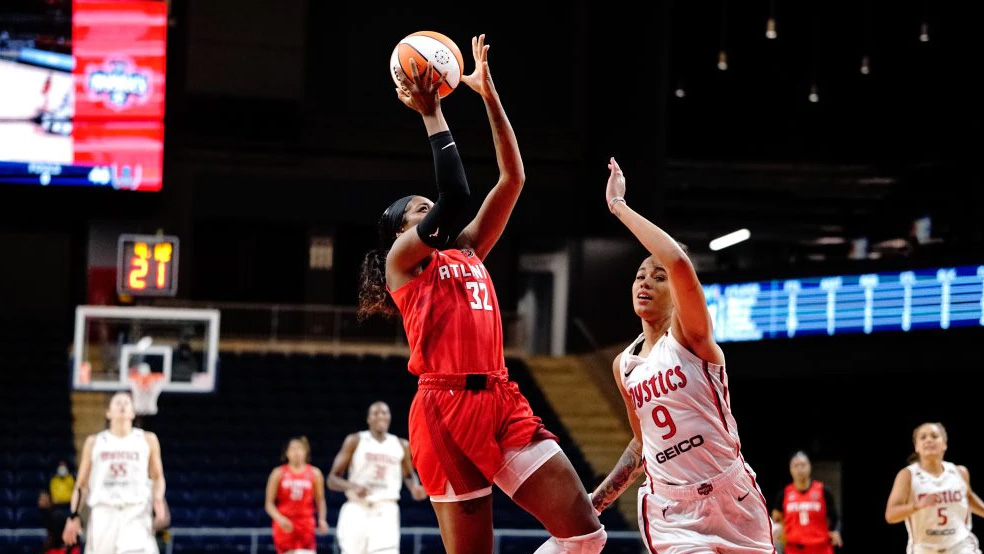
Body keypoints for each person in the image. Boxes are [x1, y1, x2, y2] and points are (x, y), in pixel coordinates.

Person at [357, 34, 604, 554]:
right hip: (443, 408)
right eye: (419, 211)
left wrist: (489, 97)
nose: (433, 213)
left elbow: (512, 178)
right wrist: (432, 114)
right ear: (401, 232)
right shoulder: (405, 263)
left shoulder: (467, 250)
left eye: (429, 207)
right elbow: (458, 194)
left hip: (501, 398)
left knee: (585, 534)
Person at [588, 158, 775, 554]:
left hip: (733, 496)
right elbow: (643, 445)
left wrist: (619, 207)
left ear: (678, 291)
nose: (646, 282)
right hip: (672, 509)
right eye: (640, 275)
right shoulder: (625, 366)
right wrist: (596, 501)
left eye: (659, 278)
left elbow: (677, 262)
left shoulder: (691, 338)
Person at [61, 392, 167, 554]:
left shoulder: (147, 440)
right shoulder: (94, 442)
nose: (122, 405)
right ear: (108, 412)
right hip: (104, 513)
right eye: (118, 402)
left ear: (132, 412)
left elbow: (157, 477)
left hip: (135, 512)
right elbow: (81, 485)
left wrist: (158, 500)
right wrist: (74, 516)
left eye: (127, 403)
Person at [327, 401, 428, 554]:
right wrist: (352, 486)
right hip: (357, 507)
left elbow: (408, 474)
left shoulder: (401, 445)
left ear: (389, 417)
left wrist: (414, 487)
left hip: (386, 508)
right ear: (368, 419)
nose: (381, 416)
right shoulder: (355, 440)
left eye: (384, 413)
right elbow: (332, 480)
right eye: (376, 413)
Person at [885, 422, 984, 554]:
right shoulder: (908, 475)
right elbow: (891, 515)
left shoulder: (959, 472)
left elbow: (970, 499)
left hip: (960, 546)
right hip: (924, 548)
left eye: (934, 436)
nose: (929, 440)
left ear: (944, 444)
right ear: (916, 447)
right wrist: (916, 506)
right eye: (923, 437)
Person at [264, 436, 330, 554]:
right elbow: (269, 504)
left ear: (306, 452)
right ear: (287, 453)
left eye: (299, 448)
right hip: (285, 522)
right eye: (293, 449)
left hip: (306, 523)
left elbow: (320, 500)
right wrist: (279, 518)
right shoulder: (278, 473)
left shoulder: (315, 473)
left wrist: (322, 519)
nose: (296, 452)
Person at [771, 452, 843, 554]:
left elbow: (836, 518)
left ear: (810, 466)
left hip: (821, 548)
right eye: (795, 466)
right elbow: (776, 521)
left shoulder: (823, 491)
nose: (800, 469)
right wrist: (777, 530)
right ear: (790, 469)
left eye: (803, 465)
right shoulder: (784, 494)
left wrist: (836, 531)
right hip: (794, 549)